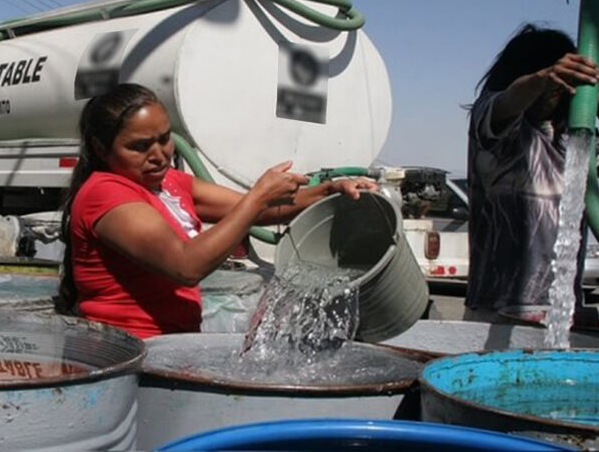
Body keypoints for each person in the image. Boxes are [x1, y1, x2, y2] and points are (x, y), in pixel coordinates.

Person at [58, 83, 377, 339]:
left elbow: (259, 210)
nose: (159, 155)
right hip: (126, 349)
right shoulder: (105, 192)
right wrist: (258, 197)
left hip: (171, 343)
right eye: (140, 146)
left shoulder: (170, 183)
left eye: (165, 139)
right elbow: (185, 265)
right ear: (101, 149)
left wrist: (331, 189)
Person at [465, 24, 599, 323]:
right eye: (556, 76)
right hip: (497, 310)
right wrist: (542, 79)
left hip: (561, 310)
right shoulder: (496, 123)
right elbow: (509, 101)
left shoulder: (575, 132)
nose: (559, 89)